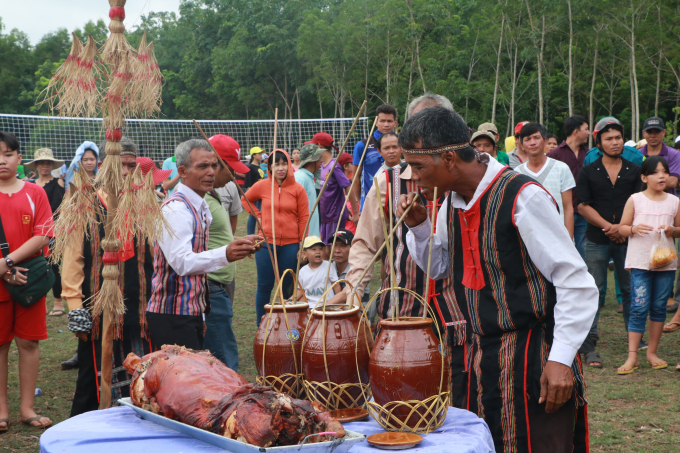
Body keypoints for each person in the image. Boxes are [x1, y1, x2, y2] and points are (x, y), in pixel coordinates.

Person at [396, 106, 598, 453]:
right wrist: (419, 226)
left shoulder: (523, 196)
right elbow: (441, 267)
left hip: (531, 354)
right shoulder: (449, 202)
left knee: (535, 444)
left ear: (447, 159)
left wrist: (561, 359)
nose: (412, 177)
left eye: (418, 166)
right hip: (477, 356)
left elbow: (575, 280)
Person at [146, 139, 262, 350]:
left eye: (214, 165)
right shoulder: (177, 209)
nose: (211, 172)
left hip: (190, 312)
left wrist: (200, 315)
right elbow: (181, 263)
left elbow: (197, 250)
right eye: (202, 166)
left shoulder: (199, 205)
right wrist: (226, 253)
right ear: (182, 171)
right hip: (173, 315)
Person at [62, 138, 149, 416]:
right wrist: (75, 306)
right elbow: (73, 259)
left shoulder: (146, 203)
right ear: (101, 166)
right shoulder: (84, 203)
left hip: (140, 308)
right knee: (92, 379)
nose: (125, 171)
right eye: (120, 164)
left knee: (142, 374)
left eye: (131, 165)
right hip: (97, 310)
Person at [576, 117, 641, 369]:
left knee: (630, 289)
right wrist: (609, 227)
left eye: (618, 138)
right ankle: (589, 343)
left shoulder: (634, 170)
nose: (615, 142)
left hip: (628, 240)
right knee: (595, 291)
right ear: (598, 143)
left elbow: (638, 203)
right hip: (596, 239)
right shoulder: (589, 170)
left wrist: (622, 229)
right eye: (608, 139)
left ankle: (635, 337)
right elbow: (583, 205)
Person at [0, 132, 54, 430]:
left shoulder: (35, 193)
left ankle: (27, 408)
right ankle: (1, 410)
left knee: (28, 343)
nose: (1, 160)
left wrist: (8, 263)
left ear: (19, 158)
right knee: (0, 345)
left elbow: (44, 233)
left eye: (7, 153)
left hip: (29, 281)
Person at [616, 156, 679, 374]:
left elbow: (679, 229)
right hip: (641, 263)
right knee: (639, 306)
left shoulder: (674, 201)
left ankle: (652, 352)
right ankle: (632, 356)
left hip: (666, 264)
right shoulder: (636, 199)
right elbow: (622, 227)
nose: (662, 176)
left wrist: (673, 231)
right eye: (655, 172)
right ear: (644, 177)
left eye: (665, 171)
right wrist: (633, 229)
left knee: (659, 307)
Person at [241, 150, 308, 325]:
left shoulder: (298, 189)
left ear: (289, 165)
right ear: (269, 166)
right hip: (266, 243)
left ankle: (288, 326)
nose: (281, 168)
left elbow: (305, 217)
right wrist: (258, 215)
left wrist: (302, 245)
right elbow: (245, 200)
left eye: (284, 163)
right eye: (276, 164)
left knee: (287, 287)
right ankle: (261, 326)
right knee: (264, 286)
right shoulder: (262, 185)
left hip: (291, 244)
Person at [203, 134, 251, 372]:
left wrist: (240, 242)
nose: (233, 176)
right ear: (214, 162)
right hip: (210, 288)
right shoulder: (195, 200)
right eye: (230, 169)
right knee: (224, 362)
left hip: (220, 285)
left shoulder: (213, 195)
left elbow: (220, 237)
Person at [23, 148, 66, 317]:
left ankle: (58, 302)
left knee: (53, 266)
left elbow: (58, 207)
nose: (45, 166)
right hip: (31, 232)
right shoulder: (29, 185)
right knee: (32, 266)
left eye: (48, 162)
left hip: (52, 230)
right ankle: (37, 302)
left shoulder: (58, 183)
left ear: (52, 165)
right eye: (41, 163)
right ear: (36, 166)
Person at [515, 123, 575, 237]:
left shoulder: (561, 168)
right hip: (530, 239)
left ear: (545, 141)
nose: (532, 142)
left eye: (536, 138)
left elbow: (568, 208)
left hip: (558, 237)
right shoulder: (517, 173)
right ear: (522, 145)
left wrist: (569, 240)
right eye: (527, 139)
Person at [547, 115, 590, 260]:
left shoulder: (590, 154)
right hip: (561, 213)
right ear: (576, 132)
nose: (589, 132)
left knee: (584, 254)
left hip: (584, 211)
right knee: (563, 253)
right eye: (586, 129)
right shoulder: (554, 155)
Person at [352, 104, 398, 211]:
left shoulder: (402, 144)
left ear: (395, 123)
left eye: (390, 121)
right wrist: (360, 203)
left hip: (395, 202)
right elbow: (355, 178)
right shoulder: (363, 145)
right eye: (382, 121)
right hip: (370, 203)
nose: (386, 124)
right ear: (376, 122)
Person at [639, 117, 680, 195]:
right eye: (649, 132)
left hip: (668, 204)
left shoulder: (674, 154)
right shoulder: (637, 155)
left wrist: (643, 184)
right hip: (642, 203)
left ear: (664, 132)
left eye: (657, 132)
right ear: (644, 133)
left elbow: (672, 182)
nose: (653, 135)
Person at [297, 236, 339, 309]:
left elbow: (336, 285)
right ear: (304, 254)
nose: (318, 252)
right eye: (314, 249)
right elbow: (300, 290)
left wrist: (339, 302)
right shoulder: (302, 271)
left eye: (320, 249)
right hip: (309, 307)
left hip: (328, 305)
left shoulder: (329, 266)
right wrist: (289, 300)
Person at [294, 144, 322, 238]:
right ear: (312, 160)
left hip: (311, 232)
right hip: (304, 234)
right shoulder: (301, 178)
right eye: (319, 158)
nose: (321, 161)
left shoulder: (308, 177)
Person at [245, 147, 266, 235]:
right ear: (254, 155)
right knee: (254, 215)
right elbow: (248, 183)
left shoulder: (259, 167)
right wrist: (251, 195)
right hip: (254, 194)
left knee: (261, 214)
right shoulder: (249, 167)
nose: (261, 155)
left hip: (261, 193)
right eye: (259, 154)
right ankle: (250, 234)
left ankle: (259, 233)